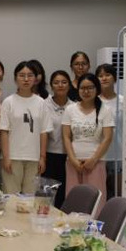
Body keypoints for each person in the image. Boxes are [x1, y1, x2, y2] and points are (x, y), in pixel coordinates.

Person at [0, 60, 52, 194]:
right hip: (13, 157)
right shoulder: (8, 102)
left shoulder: (41, 103)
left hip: (34, 157)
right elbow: (4, 131)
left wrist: (42, 157)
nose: (26, 79)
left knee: (30, 199)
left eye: (30, 75)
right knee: (11, 197)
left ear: (35, 79)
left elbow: (44, 132)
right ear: (15, 78)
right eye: (22, 75)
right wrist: (6, 157)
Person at [62, 73, 114, 209]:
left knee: (96, 202)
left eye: (90, 88)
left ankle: (94, 224)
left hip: (96, 163)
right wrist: (73, 160)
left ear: (97, 89)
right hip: (73, 163)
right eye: (82, 88)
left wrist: (93, 160)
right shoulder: (70, 109)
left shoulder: (105, 110)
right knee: (74, 201)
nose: (86, 91)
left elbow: (108, 138)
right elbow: (66, 137)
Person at [44, 70, 74, 208]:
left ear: (69, 85)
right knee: (47, 194)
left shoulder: (74, 106)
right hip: (48, 155)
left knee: (63, 193)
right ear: (51, 86)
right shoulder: (44, 105)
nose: (60, 85)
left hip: (68, 156)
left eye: (64, 82)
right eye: (56, 82)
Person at [96, 63, 124, 200]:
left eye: (107, 75)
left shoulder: (123, 101)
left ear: (115, 78)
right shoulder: (93, 101)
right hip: (98, 155)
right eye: (100, 76)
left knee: (118, 195)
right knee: (100, 195)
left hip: (118, 154)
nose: (104, 78)